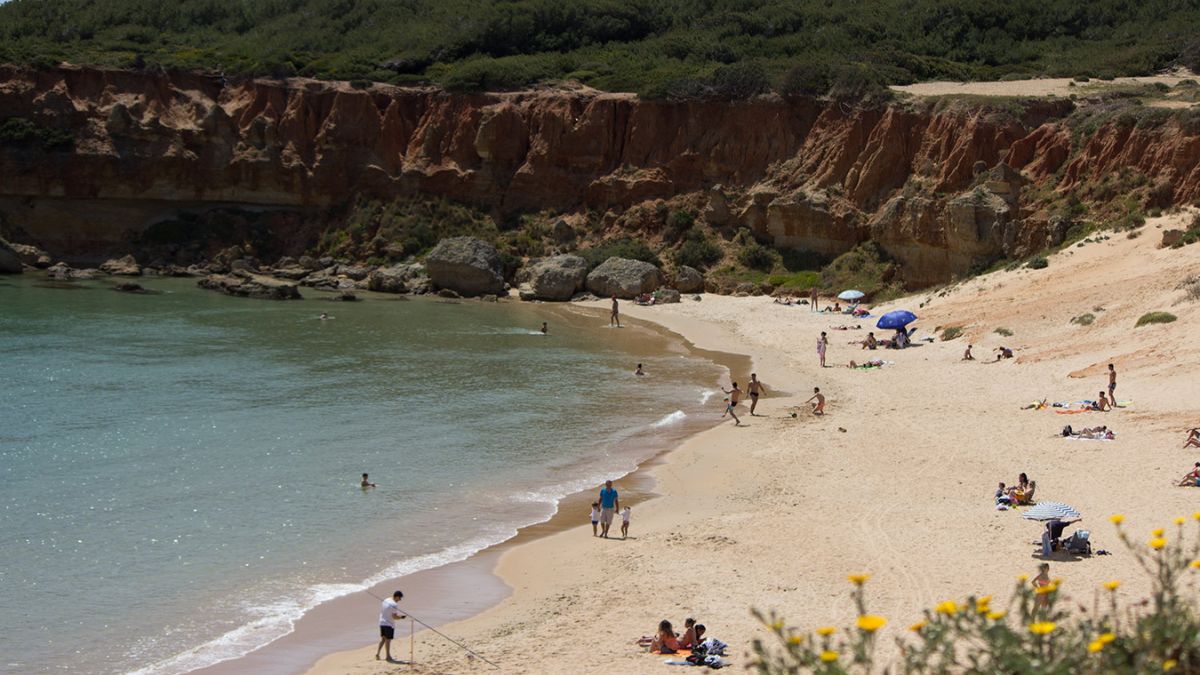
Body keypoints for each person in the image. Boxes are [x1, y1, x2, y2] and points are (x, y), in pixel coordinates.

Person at [376, 590, 405, 661]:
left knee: (383, 639)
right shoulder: (394, 604)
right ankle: (388, 656)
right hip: (388, 624)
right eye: (400, 598)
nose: (400, 600)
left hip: (381, 622)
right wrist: (401, 617)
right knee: (388, 640)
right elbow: (394, 617)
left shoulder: (386, 600)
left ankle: (378, 654)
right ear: (397, 596)